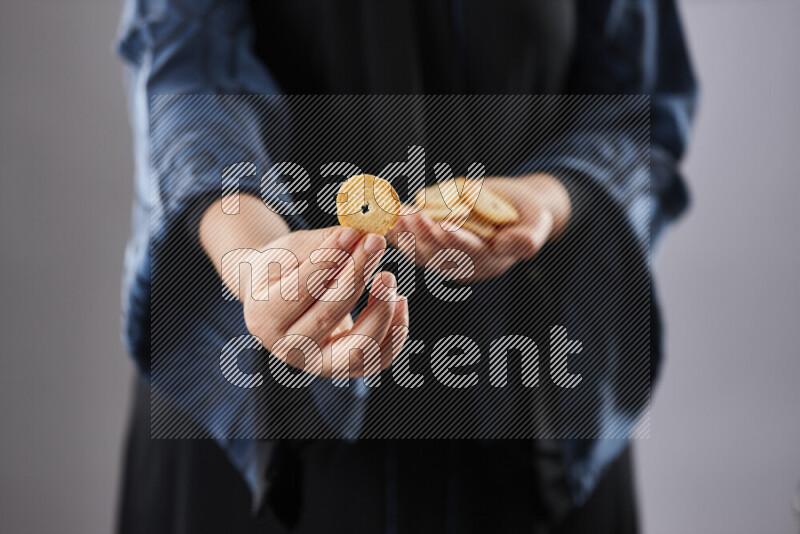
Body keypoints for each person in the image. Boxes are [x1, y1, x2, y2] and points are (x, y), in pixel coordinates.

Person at [115, 0, 696, 532]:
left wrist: (552, 197)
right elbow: (187, 63)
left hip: (531, 417)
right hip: (248, 411)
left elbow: (637, 102)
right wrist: (249, 251)